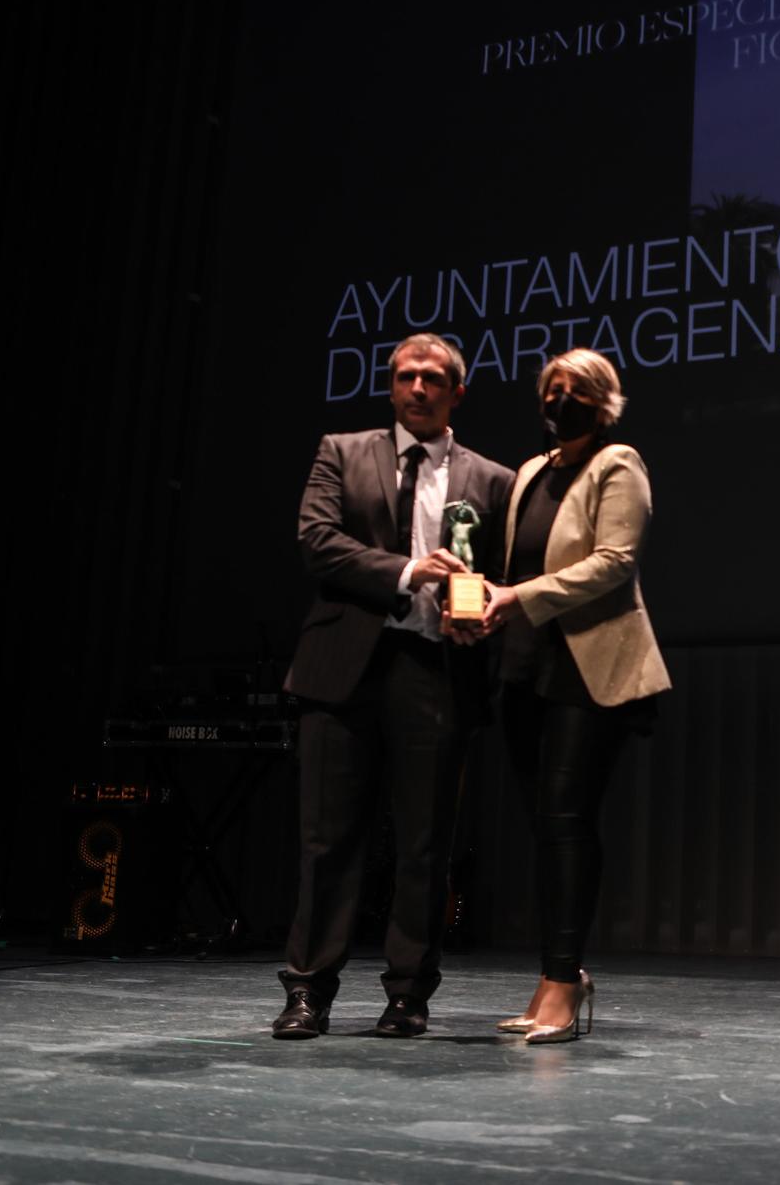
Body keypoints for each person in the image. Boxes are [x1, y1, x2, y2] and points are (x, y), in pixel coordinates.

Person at [272, 332, 514, 1040]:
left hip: (436, 671)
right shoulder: (341, 452)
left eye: (433, 377)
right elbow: (317, 542)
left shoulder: (492, 480)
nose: (418, 387)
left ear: (456, 392)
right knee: (327, 841)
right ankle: (308, 990)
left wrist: (484, 613)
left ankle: (409, 993)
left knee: (424, 844)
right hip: (342, 667)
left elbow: (499, 577)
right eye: (406, 375)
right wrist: (412, 572)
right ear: (390, 384)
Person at [450, 348, 669, 1045]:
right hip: (525, 667)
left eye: (575, 389)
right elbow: (509, 565)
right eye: (551, 387)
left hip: (589, 667)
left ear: (604, 401)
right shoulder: (529, 473)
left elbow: (613, 564)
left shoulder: (617, 463)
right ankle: (553, 978)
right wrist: (474, 597)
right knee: (546, 828)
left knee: (568, 820)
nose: (559, 398)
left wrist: (517, 598)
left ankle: (564, 980)